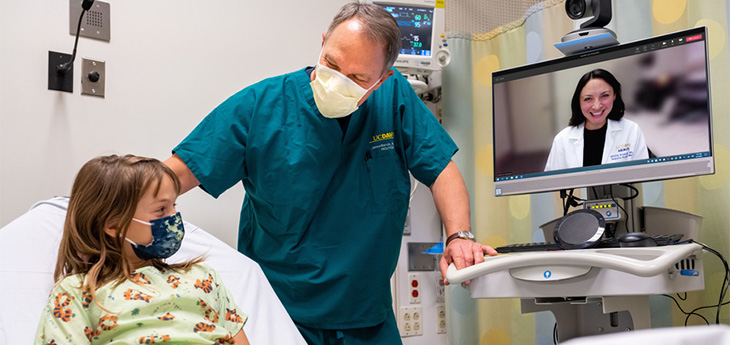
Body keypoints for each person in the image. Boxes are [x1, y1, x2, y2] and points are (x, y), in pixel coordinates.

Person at [164, 1, 496, 344]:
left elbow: (441, 168)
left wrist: (459, 235)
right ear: (323, 43)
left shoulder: (393, 97)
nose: (337, 82)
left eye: (357, 78)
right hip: (278, 313)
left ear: (381, 80)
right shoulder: (262, 105)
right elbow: (169, 178)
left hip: (367, 315)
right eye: (331, 64)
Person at [34, 155, 250, 345]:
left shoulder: (203, 278)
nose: (174, 217)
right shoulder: (77, 292)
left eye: (175, 206)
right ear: (114, 225)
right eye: (161, 209)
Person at [545, 69, 649, 171]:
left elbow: (644, 175)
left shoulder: (632, 131)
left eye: (604, 96)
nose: (597, 106)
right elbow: (550, 184)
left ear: (614, 96)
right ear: (579, 102)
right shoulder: (562, 140)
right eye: (588, 99)